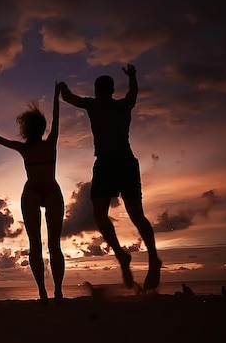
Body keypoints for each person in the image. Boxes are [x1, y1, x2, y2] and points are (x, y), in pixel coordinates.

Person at [58, 64, 162, 291]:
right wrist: (133, 76)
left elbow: (68, 98)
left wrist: (62, 86)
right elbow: (133, 94)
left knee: (99, 212)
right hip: (127, 160)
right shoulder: (124, 105)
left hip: (106, 162)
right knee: (137, 215)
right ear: (113, 90)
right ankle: (153, 257)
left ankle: (121, 255)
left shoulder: (93, 104)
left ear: (96, 90)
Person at [0, 82, 65, 303]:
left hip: (42, 190)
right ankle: (50, 291)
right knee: (49, 244)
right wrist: (55, 94)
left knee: (44, 244)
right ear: (40, 128)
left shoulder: (34, 145)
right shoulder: (46, 143)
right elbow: (57, 117)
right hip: (41, 190)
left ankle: (50, 291)